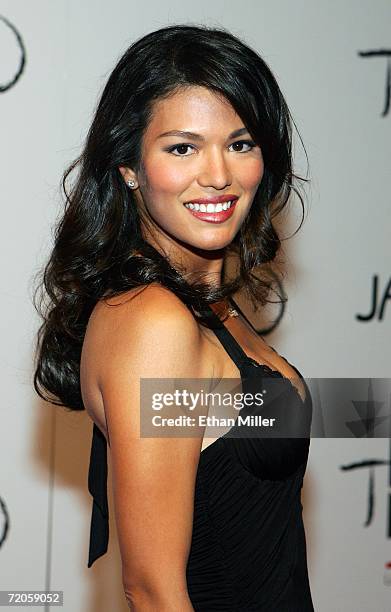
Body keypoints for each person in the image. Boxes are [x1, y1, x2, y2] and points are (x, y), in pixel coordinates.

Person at [33, 24, 314, 611]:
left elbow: (231, 439)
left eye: (240, 144)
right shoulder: (152, 322)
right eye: (182, 147)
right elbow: (154, 591)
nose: (218, 175)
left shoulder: (202, 299)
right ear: (129, 165)